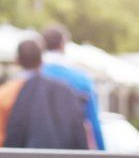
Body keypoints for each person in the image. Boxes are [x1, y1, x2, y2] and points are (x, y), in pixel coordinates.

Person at [41, 23, 106, 151]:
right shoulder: (81, 80)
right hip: (71, 153)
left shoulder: (28, 80)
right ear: (63, 44)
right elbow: (93, 123)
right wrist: (102, 154)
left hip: (33, 153)